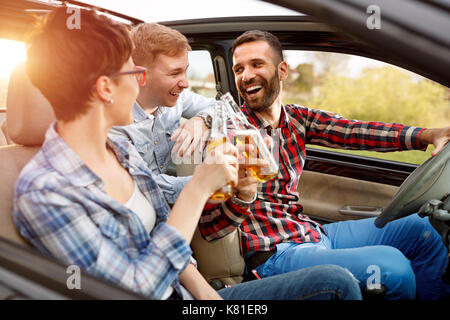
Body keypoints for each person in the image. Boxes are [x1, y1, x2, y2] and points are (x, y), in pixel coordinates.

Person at [12, 7, 362, 301]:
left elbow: (163, 222)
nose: (139, 82)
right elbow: (137, 289)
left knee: (336, 282)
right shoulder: (46, 193)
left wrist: (207, 296)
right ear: (105, 88)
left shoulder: (115, 149)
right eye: (133, 72)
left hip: (189, 295)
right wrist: (198, 187)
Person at [198, 30, 450, 300]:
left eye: (257, 64)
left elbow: (355, 131)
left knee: (423, 230)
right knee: (393, 268)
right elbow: (212, 226)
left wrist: (426, 135)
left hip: (311, 232)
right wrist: (202, 121)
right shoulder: (232, 132)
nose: (246, 75)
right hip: (276, 253)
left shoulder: (297, 118)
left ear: (282, 71)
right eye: (238, 69)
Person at [109, 23, 215, 205]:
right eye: (175, 73)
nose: (185, 83)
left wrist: (202, 120)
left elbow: (219, 107)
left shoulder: (176, 99)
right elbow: (147, 186)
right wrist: (210, 182)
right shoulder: (116, 126)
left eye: (185, 70)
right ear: (139, 76)